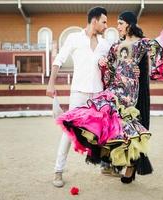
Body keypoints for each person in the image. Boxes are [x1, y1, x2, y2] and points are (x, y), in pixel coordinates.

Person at [56, 4, 163, 184]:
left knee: (126, 129)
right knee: (100, 117)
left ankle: (128, 166)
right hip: (114, 90)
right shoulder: (115, 46)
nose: (117, 27)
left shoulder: (141, 44)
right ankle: (103, 157)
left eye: (120, 23)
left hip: (130, 94)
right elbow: (108, 68)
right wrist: (103, 63)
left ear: (129, 24)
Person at [46, 6, 111, 187]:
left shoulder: (105, 44)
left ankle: (106, 165)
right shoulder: (74, 38)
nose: (106, 26)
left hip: (98, 95)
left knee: (104, 131)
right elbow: (59, 59)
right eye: (104, 22)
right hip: (78, 94)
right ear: (94, 21)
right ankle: (58, 171)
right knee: (68, 132)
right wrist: (51, 83)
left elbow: (113, 67)